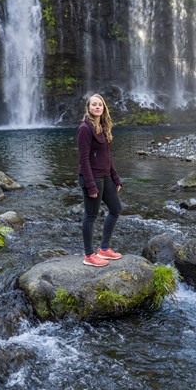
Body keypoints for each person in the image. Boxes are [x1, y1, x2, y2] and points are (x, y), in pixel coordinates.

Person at [77, 93, 122, 267]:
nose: (97, 107)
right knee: (90, 216)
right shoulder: (85, 128)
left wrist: (116, 178)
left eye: (100, 104)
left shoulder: (103, 127)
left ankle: (104, 249)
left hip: (105, 176)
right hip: (92, 177)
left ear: (104, 108)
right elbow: (84, 159)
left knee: (116, 209)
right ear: (88, 108)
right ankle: (89, 254)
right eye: (94, 104)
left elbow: (107, 157)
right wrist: (90, 185)